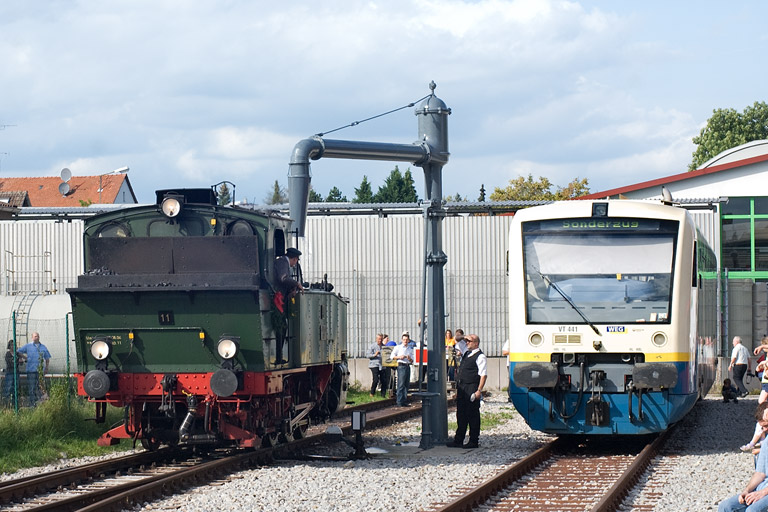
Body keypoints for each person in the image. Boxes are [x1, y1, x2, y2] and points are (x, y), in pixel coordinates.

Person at [718, 402, 768, 511]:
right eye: (762, 427)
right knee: (725, 507)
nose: (764, 430)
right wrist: (747, 491)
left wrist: (762, 493)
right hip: (762, 489)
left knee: (752, 510)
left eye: (766, 426)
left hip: (765, 491)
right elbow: (760, 473)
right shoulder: (767, 441)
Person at [447, 334, 487, 449]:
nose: (467, 343)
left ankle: (474, 440)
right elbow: (456, 338)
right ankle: (459, 439)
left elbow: (483, 375)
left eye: (469, 341)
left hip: (472, 386)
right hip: (462, 387)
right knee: (461, 414)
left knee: (472, 414)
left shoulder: (480, 357)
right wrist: (465, 336)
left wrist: (479, 390)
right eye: (467, 341)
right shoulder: (467, 352)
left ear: (476, 343)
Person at [17, 332, 51, 407]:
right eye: (35, 336)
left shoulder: (43, 347)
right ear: (32, 338)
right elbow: (18, 351)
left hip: (40, 371)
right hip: (31, 371)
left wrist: (46, 368)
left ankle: (40, 404)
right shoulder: (28, 346)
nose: (37, 337)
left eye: (38, 336)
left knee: (40, 387)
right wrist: (24, 357)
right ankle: (32, 404)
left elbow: (47, 358)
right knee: (31, 388)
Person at [391, 331, 414, 407]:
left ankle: (404, 400)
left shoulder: (410, 349)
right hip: (401, 365)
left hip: (407, 365)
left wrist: (409, 358)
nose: (405, 341)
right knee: (401, 384)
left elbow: (412, 360)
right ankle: (399, 401)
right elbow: (392, 356)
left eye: (406, 340)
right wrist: (399, 357)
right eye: (404, 340)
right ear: (402, 340)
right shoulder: (398, 347)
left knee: (406, 384)